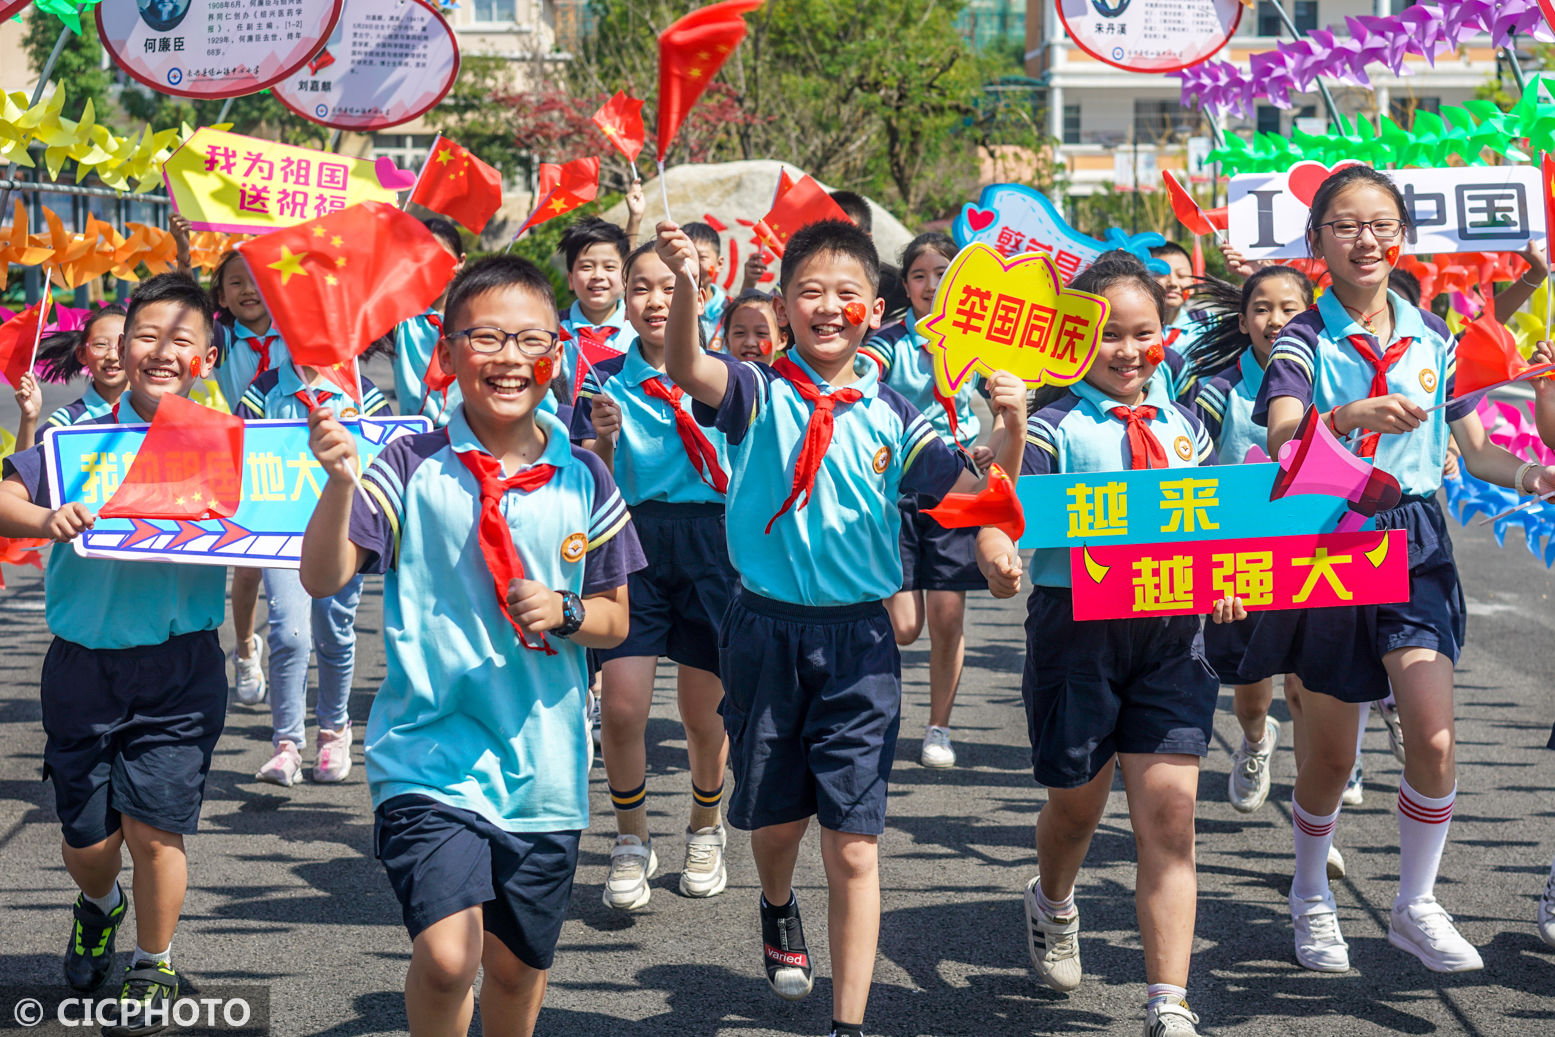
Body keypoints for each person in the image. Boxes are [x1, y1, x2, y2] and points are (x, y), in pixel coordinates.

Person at [658, 216, 1027, 1037]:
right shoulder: (757, 389)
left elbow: (970, 492)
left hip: (859, 643)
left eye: (847, 294)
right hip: (763, 632)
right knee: (775, 824)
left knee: (854, 842)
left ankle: (848, 1024)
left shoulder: (897, 410)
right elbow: (688, 364)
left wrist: (1011, 420)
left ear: (874, 307)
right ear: (784, 306)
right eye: (810, 292)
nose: (829, 307)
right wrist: (689, 284)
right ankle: (775, 902)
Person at [298, 254, 643, 1037]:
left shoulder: (583, 474)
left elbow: (616, 621)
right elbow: (324, 578)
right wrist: (338, 481)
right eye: (485, 337)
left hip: (544, 767)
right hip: (427, 755)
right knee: (451, 957)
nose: (508, 357)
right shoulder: (407, 465)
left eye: (528, 339)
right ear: (447, 353)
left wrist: (563, 609)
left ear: (556, 352)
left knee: (517, 967)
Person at [1249, 164, 1555, 974]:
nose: (1365, 239)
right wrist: (1348, 416)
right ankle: (1310, 891)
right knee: (1331, 757)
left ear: (1402, 236)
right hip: (1324, 539)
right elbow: (1284, 437)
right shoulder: (1299, 339)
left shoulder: (1431, 335)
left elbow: (1477, 448)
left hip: (1413, 539)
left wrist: (1531, 476)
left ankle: (1413, 902)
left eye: (1380, 223)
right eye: (1344, 224)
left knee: (1432, 732)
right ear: (1316, 241)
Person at [981, 252, 1233, 1037]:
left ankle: (1168, 1001)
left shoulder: (1190, 423)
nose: (1127, 351)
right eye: (1109, 336)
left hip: (1173, 633)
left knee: (1170, 815)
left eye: (1144, 333)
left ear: (1166, 333)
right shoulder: (1055, 426)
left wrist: (1225, 570)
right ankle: (1053, 899)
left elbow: (1226, 513)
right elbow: (1003, 502)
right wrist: (996, 546)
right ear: (1071, 339)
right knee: (1076, 805)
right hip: (1076, 633)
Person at [0, 273, 228, 1034]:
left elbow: (294, 509)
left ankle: (152, 959)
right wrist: (43, 515)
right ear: (122, 346)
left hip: (180, 667)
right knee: (88, 841)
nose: (162, 351)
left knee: (156, 828)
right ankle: (99, 903)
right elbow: (4, 496)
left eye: (181, 339)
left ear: (206, 355)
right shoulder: (79, 436)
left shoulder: (228, 444)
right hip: (82, 667)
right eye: (147, 335)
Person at [571, 243, 738, 909]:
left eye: (669, 287)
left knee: (704, 716)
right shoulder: (601, 376)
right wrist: (604, 438)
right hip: (632, 541)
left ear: (696, 296)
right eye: (639, 287)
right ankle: (631, 838)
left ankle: (704, 825)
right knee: (620, 705)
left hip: (710, 542)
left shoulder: (726, 378)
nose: (653, 300)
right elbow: (589, 472)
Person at [859, 232, 989, 768]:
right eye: (919, 275)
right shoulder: (888, 343)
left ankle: (939, 727)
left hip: (956, 482)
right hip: (899, 489)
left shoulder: (981, 338)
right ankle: (878, 709)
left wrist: (997, 433)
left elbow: (1001, 402)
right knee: (905, 624)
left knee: (946, 613)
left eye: (942, 274)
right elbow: (861, 382)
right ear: (905, 284)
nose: (931, 285)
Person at [235, 364, 391, 786]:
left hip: (342, 532)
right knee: (288, 633)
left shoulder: (360, 390)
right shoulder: (265, 389)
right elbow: (237, 448)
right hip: (281, 531)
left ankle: (334, 731)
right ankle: (286, 743)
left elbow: (383, 452)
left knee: (333, 630)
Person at [211, 250, 290, 710]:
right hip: (246, 458)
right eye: (235, 283)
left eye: (258, 280)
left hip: (299, 459)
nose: (248, 290)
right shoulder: (219, 338)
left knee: (304, 570)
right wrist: (183, 255)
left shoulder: (296, 332)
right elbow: (187, 311)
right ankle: (244, 649)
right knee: (249, 566)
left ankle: (294, 659)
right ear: (221, 295)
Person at [14, 304, 129, 451]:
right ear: (82, 354)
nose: (112, 356)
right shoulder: (67, 420)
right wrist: (29, 418)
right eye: (100, 344)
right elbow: (24, 471)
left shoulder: (151, 412)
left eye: (123, 345)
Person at [390, 216, 466, 427]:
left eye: (442, 260)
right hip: (414, 434)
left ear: (461, 262)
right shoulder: (399, 318)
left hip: (469, 434)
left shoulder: (475, 318)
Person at [557, 217, 638, 398]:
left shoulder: (639, 329)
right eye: (586, 267)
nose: (598, 275)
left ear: (625, 277)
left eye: (609, 267)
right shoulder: (555, 330)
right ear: (570, 279)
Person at [684, 221, 728, 350]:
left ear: (719, 264)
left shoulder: (729, 312)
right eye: (686, 256)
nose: (692, 265)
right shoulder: (665, 310)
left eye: (701, 257)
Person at [719, 290, 784, 364]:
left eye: (761, 333)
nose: (750, 343)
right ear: (727, 341)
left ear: (781, 340)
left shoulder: (791, 375)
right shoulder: (716, 375)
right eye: (740, 333)